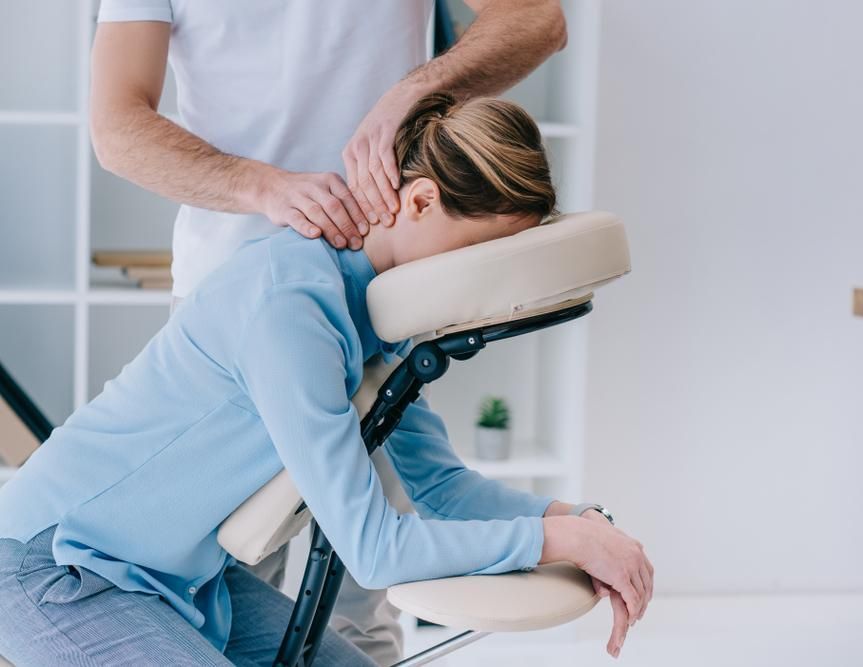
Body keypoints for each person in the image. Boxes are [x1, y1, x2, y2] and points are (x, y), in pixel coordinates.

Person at [0, 93, 653, 666]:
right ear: (421, 200)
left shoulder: (382, 318)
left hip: (179, 576)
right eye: (479, 252)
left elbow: (442, 488)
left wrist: (575, 520)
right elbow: (374, 548)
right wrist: (559, 542)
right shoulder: (293, 305)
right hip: (55, 563)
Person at [89, 2, 569, 661]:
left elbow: (537, 19)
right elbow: (116, 126)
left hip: (376, 304)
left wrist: (416, 87)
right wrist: (264, 188)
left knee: (357, 620)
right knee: (219, 602)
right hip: (233, 314)